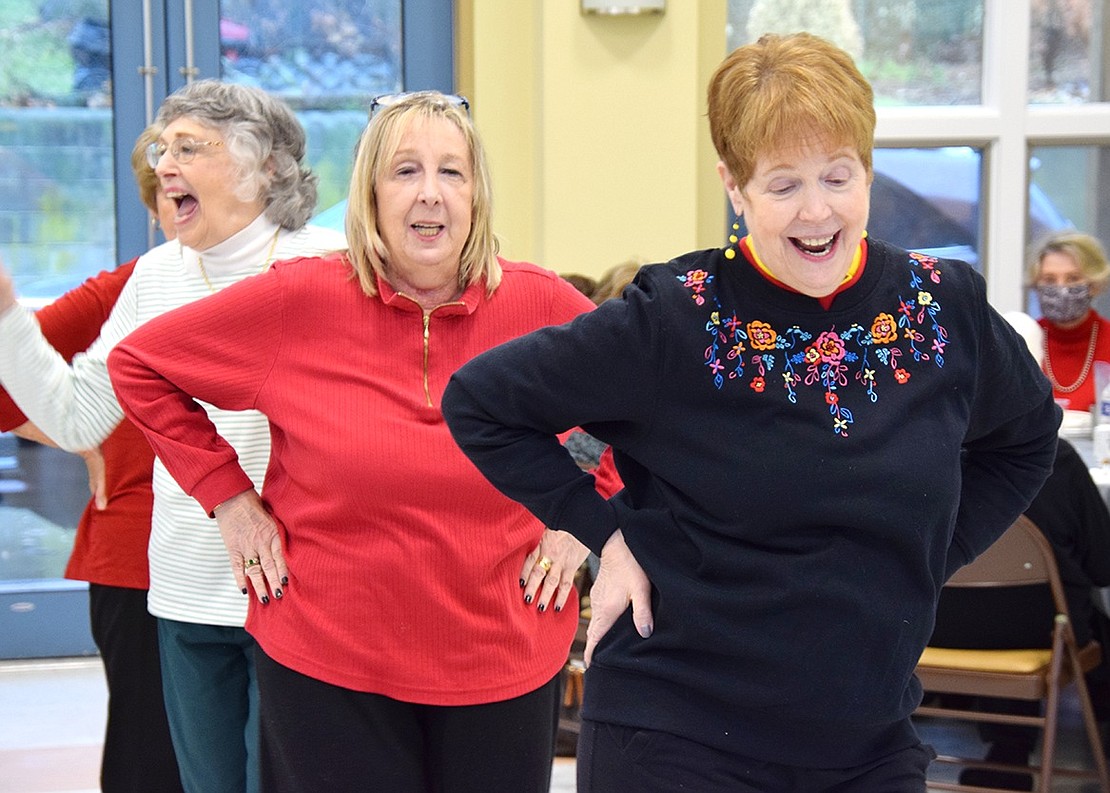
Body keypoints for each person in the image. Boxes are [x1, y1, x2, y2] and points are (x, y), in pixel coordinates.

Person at [441, 32, 1060, 792]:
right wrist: (608, 534)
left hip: (869, 738)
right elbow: (479, 402)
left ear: (868, 169)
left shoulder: (942, 306)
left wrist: (929, 557)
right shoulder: (674, 316)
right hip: (678, 734)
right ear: (734, 187)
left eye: (838, 176)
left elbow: (1027, 438)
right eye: (783, 185)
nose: (817, 211)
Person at [107, 90, 619, 793]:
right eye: (405, 171)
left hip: (502, 654)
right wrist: (227, 497)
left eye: (453, 172)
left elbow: (653, 413)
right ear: (371, 194)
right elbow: (138, 365)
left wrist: (579, 523)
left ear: (478, 195)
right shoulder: (299, 299)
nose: (430, 194)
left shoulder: (542, 306)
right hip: (328, 660)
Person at [0, 80, 346, 793]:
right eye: (163, 148)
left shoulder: (335, 264)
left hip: (305, 591)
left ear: (266, 167)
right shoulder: (155, 277)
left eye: (190, 147)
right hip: (187, 592)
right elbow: (75, 417)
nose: (164, 164)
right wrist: (7, 315)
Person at [0, 124, 183, 793]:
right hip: (139, 560)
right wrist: (85, 432)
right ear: (152, 207)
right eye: (168, 188)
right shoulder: (126, 290)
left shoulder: (288, 277)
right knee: (149, 754)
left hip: (260, 559)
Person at [928, 311, 1110, 790]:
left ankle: (1003, 746)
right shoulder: (1053, 456)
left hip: (934, 625)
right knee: (1071, 614)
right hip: (1040, 627)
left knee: (1005, 607)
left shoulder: (923, 452)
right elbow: (1103, 563)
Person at [1029, 230, 1110, 433]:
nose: (1061, 289)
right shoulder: (1022, 341)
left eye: (1073, 278)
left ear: (1094, 284)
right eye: (1049, 280)